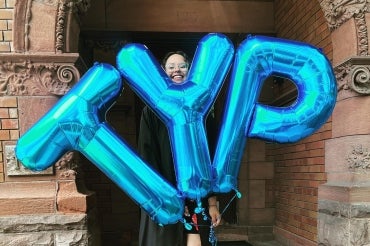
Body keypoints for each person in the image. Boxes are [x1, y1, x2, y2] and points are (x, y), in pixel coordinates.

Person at [138, 51, 221, 246]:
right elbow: (147, 156)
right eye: (171, 66)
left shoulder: (202, 109)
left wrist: (212, 203)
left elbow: (210, 157)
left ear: (190, 71)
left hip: (196, 192)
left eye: (182, 66)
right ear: (163, 73)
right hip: (164, 194)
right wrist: (169, 196)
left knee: (198, 239)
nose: (177, 70)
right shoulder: (151, 111)